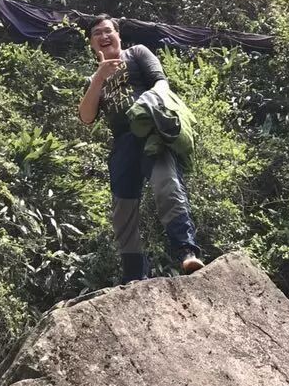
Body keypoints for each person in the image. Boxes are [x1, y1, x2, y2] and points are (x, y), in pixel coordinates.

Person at [79, 15, 203, 284]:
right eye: (97, 33)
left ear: (118, 35)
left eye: (108, 31)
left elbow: (161, 82)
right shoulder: (93, 79)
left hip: (150, 133)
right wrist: (99, 77)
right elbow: (87, 117)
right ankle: (134, 273)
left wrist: (146, 102)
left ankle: (186, 252)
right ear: (91, 43)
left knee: (167, 185)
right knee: (122, 210)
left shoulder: (136, 53)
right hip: (122, 142)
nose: (103, 36)